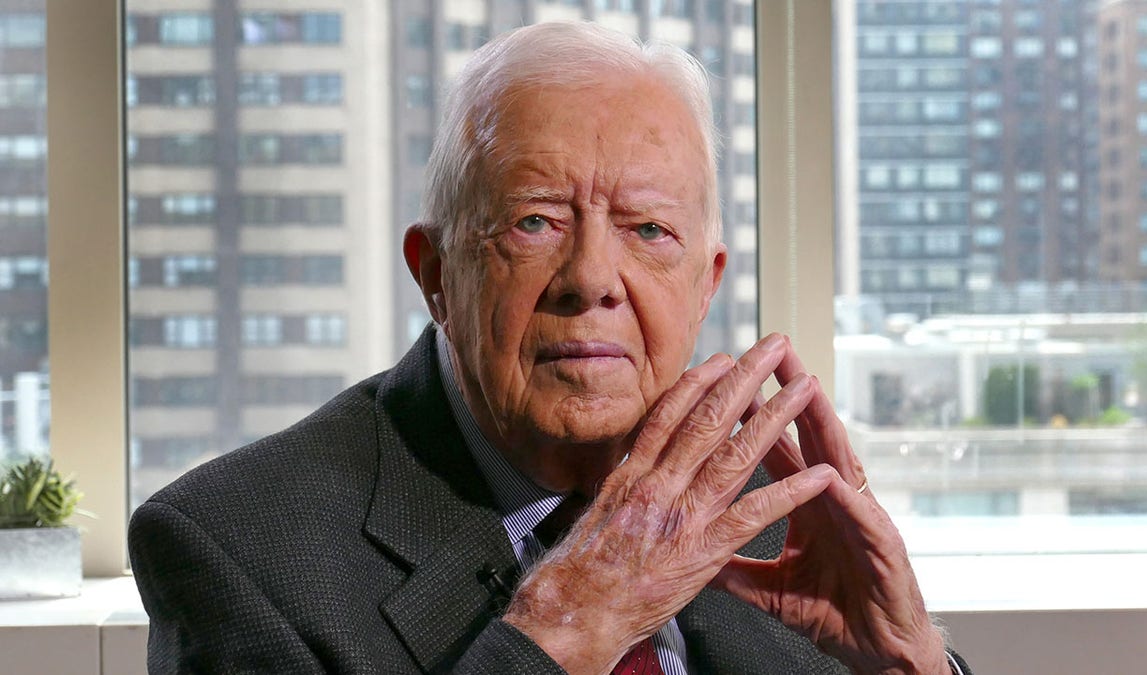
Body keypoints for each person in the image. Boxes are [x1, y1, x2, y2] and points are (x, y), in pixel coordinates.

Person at [129, 21, 971, 674]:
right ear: (436, 274)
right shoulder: (238, 549)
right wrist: (574, 622)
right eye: (535, 221)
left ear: (705, 284)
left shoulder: (758, 498)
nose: (592, 278)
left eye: (648, 230)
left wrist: (911, 661)